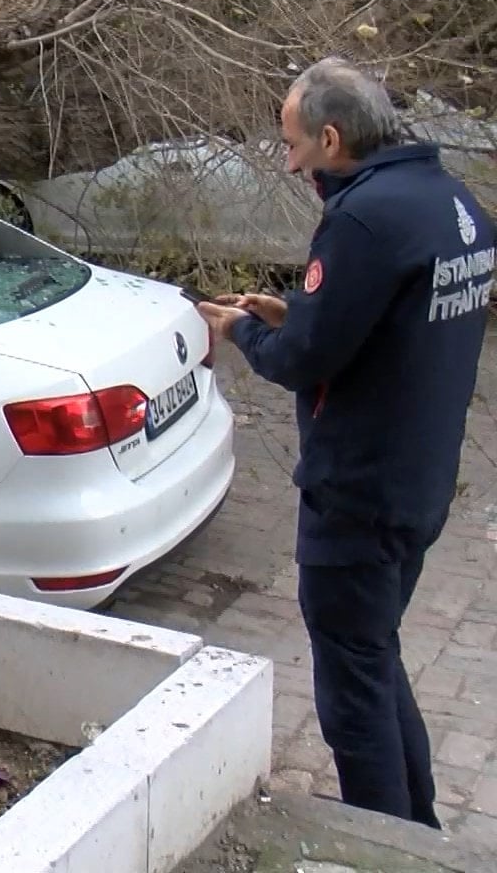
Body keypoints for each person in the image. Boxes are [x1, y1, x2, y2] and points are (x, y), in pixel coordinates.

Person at [195, 58, 490, 829]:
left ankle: (382, 839)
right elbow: (390, 327)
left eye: (294, 147)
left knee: (352, 692)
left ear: (332, 138)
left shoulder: (360, 219)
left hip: (356, 497)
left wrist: (245, 330)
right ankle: (419, 827)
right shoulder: (451, 203)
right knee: (375, 655)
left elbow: (306, 363)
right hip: (418, 485)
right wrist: (298, 311)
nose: (290, 163)